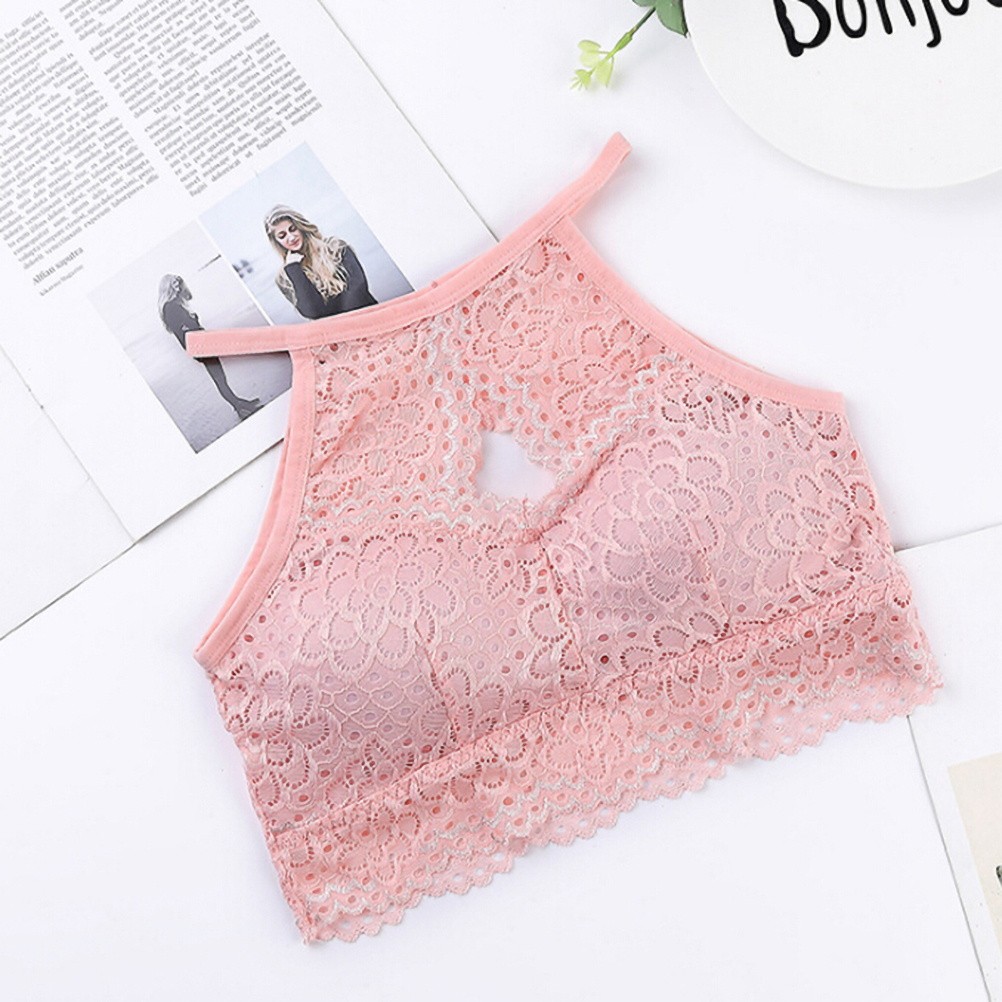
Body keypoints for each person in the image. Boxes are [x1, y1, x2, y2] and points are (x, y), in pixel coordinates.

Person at [157, 274, 262, 421]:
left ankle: (239, 403)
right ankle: (239, 407)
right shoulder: (171, 307)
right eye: (177, 284)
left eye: (179, 283)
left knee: (220, 377)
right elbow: (183, 331)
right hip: (199, 346)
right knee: (219, 378)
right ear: (170, 287)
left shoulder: (173, 305)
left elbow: (184, 327)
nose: (179, 286)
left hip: (199, 344)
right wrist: (193, 323)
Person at [264, 205, 376, 319]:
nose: (291, 237)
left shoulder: (336, 248)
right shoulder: (283, 278)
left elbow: (358, 288)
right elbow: (313, 312)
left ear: (301, 227)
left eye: (293, 229)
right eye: (282, 236)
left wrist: (343, 321)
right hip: (336, 329)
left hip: (366, 318)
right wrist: (294, 270)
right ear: (276, 242)